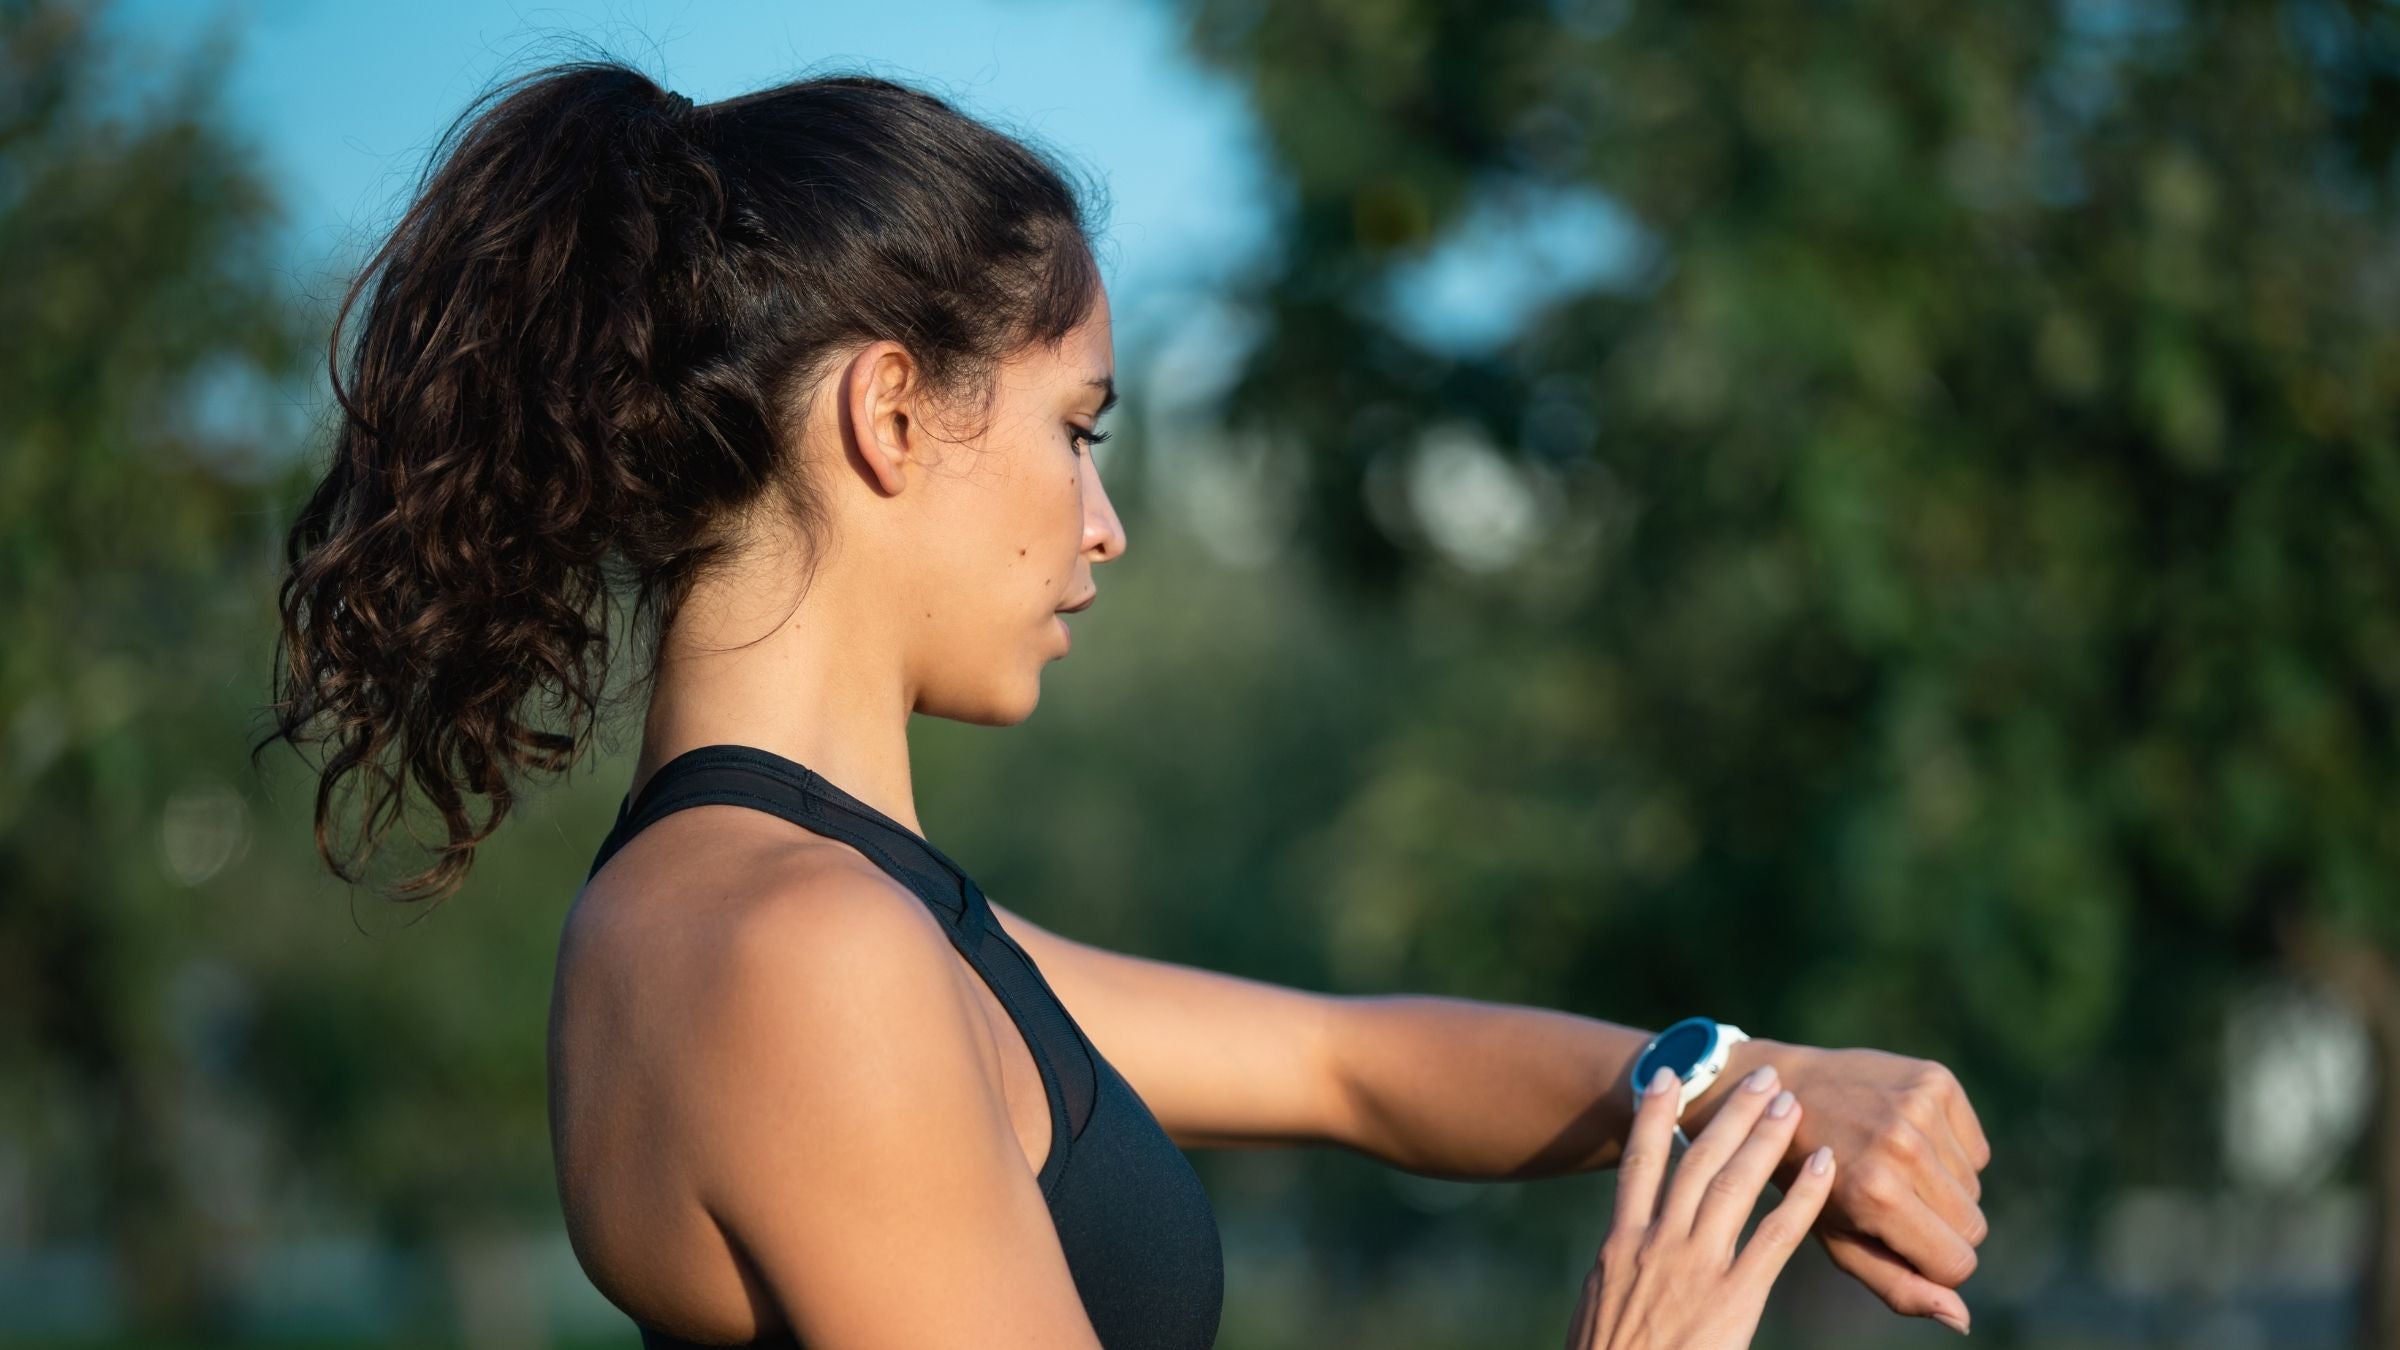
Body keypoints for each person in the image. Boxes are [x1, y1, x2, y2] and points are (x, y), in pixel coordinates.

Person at [259, 59, 1990, 1348]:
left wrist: (1742, 1085)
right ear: (890, 413)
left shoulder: (850, 919)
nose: (1107, 519)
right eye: (1078, 428)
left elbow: (1346, 1063)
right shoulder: (793, 954)